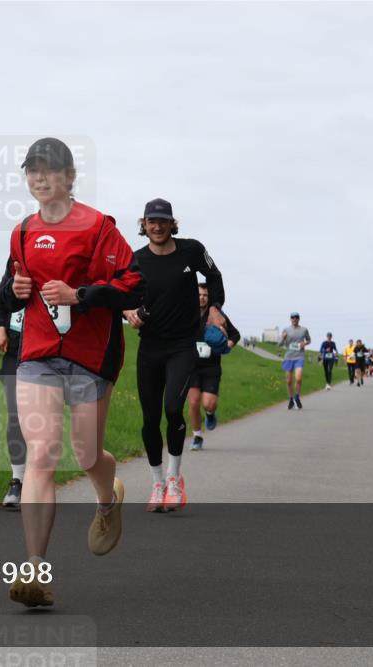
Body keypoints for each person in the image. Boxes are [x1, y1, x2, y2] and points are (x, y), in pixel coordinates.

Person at [1, 138, 143, 607]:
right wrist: (18, 288)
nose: (39, 179)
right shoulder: (22, 231)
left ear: (68, 176)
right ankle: (35, 571)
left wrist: (82, 294)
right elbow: (13, 287)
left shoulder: (99, 227)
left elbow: (131, 285)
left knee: (85, 455)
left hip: (90, 354)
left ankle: (108, 499)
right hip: (38, 351)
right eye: (32, 172)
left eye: (48, 171)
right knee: (42, 454)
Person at [123, 198, 227, 512]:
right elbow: (123, 295)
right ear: (143, 225)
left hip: (183, 345)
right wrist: (127, 311)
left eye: (162, 221)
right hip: (150, 346)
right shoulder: (136, 260)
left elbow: (215, 277)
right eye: (151, 221)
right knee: (150, 418)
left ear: (172, 224)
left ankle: (173, 478)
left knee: (172, 409)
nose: (157, 226)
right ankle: (156, 483)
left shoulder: (191, 250)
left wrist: (214, 309)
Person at [0, 270, 28, 509]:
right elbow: (1, 298)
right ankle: (17, 481)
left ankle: (41, 478)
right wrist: (0, 328)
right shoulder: (19, 251)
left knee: (44, 419)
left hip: (50, 349)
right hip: (16, 349)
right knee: (16, 417)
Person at [187, 283, 240, 450]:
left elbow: (235, 334)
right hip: (192, 366)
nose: (202, 297)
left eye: (205, 295)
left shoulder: (216, 315)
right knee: (194, 403)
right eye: (199, 294)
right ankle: (197, 436)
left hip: (211, 367)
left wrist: (227, 345)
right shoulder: (187, 313)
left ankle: (210, 414)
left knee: (208, 404)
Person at [278, 312, 311, 409]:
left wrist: (304, 344)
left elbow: (309, 340)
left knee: (298, 378)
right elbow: (279, 344)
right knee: (288, 381)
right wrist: (283, 338)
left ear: (299, 319)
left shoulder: (304, 330)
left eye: (296, 317)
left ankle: (297, 396)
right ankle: (291, 399)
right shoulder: (286, 330)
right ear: (290, 319)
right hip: (288, 357)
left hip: (299, 357)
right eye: (293, 317)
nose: (294, 319)